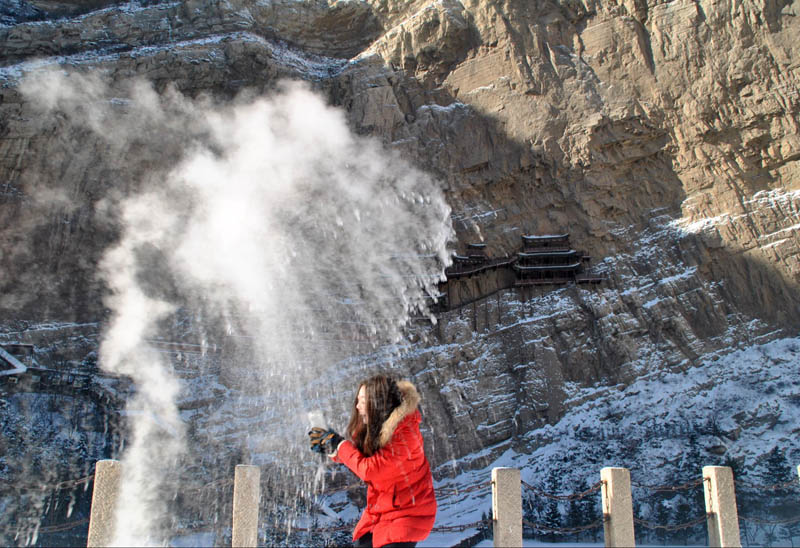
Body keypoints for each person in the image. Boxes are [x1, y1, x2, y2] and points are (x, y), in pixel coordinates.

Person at [309, 375, 437, 548]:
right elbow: (367, 459)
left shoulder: (405, 435)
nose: (357, 406)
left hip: (406, 517)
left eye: (363, 401)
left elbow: (371, 469)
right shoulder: (386, 429)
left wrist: (340, 445)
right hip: (382, 515)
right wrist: (333, 450)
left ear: (377, 404)